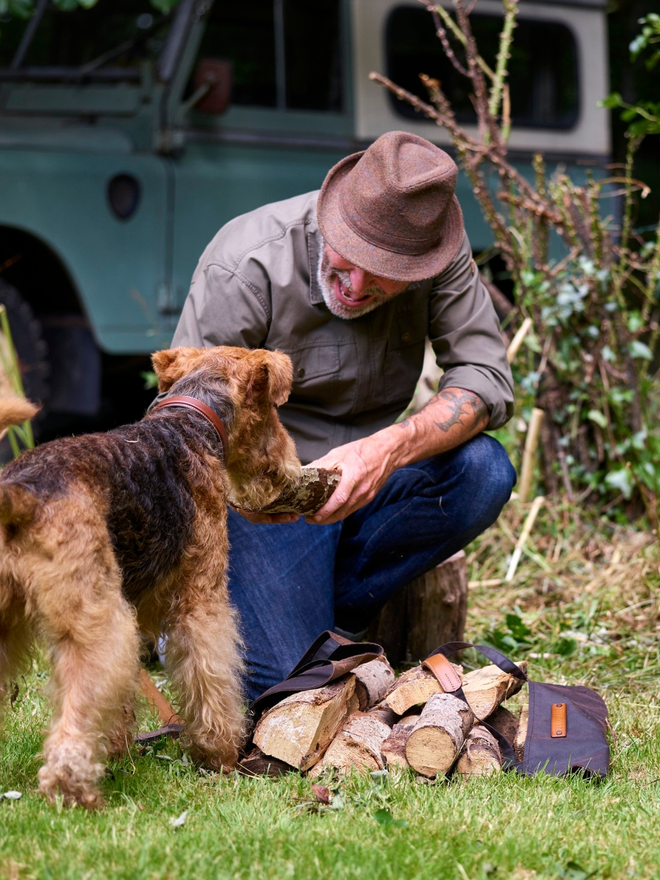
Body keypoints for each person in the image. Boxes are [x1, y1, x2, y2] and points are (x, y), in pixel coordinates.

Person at [172, 131, 516, 701]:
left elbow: (487, 380)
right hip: (265, 501)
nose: (356, 286)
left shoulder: (441, 256)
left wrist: (386, 449)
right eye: (349, 257)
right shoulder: (246, 262)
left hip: (371, 479)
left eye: (386, 272)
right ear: (332, 217)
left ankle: (332, 612)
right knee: (284, 687)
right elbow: (186, 434)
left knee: (483, 471)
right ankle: (228, 613)